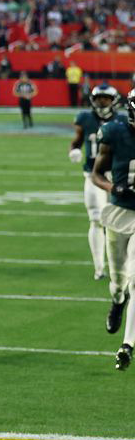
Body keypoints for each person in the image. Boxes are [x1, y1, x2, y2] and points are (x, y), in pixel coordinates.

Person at [91, 90, 135, 370]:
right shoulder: (114, 132)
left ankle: (127, 345)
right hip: (119, 212)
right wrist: (112, 187)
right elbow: (97, 174)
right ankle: (117, 299)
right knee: (119, 280)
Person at [70, 85, 120, 280]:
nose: (102, 101)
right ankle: (99, 268)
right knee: (96, 219)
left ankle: (119, 266)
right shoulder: (85, 118)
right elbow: (77, 140)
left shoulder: (122, 120)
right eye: (99, 98)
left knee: (118, 222)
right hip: (92, 175)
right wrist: (73, 150)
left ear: (113, 100)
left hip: (117, 176)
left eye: (106, 98)